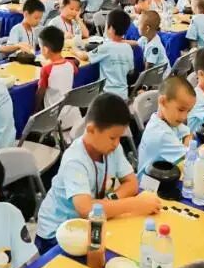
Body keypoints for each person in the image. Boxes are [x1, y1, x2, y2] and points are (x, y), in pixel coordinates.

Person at [34, 93, 161, 250]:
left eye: (119, 138)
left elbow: (132, 183)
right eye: (112, 138)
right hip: (58, 232)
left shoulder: (111, 148)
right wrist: (133, 204)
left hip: (91, 222)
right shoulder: (75, 160)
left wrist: (109, 201)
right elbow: (85, 209)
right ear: (91, 130)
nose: (117, 144)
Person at [135, 76, 196, 176]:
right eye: (181, 110)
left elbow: (188, 133)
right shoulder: (162, 134)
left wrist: (187, 143)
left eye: (188, 111)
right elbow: (192, 160)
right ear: (163, 101)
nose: (184, 117)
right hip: (152, 183)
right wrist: (188, 147)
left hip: (163, 175)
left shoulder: (165, 119)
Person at [77, 9, 135, 99]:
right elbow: (131, 71)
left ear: (110, 28)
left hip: (107, 95)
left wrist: (74, 50)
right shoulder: (128, 48)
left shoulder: (105, 47)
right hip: (123, 94)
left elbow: (84, 57)